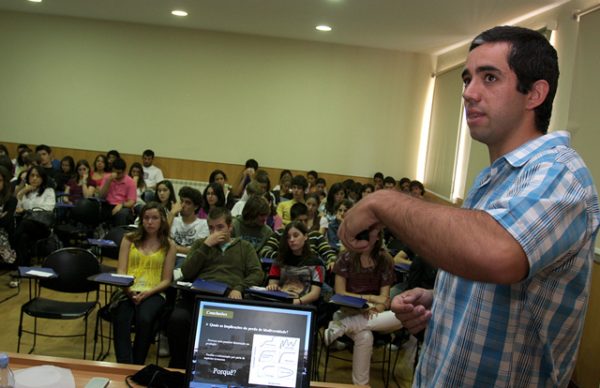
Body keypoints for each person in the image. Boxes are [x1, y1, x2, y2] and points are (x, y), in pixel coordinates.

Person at [338, 26, 600, 387]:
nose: (469, 93)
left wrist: (383, 200)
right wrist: (439, 301)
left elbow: (498, 253)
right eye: (467, 79)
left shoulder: (560, 174)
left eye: (489, 77)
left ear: (535, 94)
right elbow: (498, 285)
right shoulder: (492, 179)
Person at [167, 207, 263, 368]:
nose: (215, 232)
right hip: (198, 296)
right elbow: (187, 272)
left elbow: (257, 274)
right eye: (211, 228)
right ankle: (180, 367)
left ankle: (217, 367)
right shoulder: (201, 244)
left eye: (220, 227)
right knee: (178, 319)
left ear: (230, 227)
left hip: (227, 297)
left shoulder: (244, 247)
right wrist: (206, 246)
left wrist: (239, 287)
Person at [324, 234, 399, 385]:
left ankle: (343, 326)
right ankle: (361, 386)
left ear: (377, 237)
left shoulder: (384, 260)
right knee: (365, 337)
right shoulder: (345, 258)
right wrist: (370, 298)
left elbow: (384, 299)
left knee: (402, 316)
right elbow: (340, 293)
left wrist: (376, 307)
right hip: (347, 310)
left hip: (373, 314)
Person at [112, 202, 176, 365]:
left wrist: (148, 293)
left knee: (145, 318)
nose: (150, 222)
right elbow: (121, 270)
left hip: (154, 291)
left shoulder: (169, 245)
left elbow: (167, 280)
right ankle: (124, 364)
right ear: (141, 220)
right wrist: (128, 289)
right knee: (121, 318)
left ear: (162, 220)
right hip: (128, 289)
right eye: (146, 218)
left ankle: (137, 363)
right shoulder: (129, 239)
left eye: (154, 218)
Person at [260, 202, 336, 268]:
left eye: (305, 220)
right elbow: (264, 251)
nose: (303, 224)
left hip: (310, 273)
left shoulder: (315, 235)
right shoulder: (280, 233)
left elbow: (329, 253)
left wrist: (332, 261)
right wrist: (288, 257)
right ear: (292, 221)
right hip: (286, 272)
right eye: (299, 221)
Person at [266, 221, 324, 306]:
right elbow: (272, 284)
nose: (292, 240)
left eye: (296, 236)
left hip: (303, 305)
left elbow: (315, 294)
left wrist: (297, 302)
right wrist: (272, 286)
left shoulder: (316, 264)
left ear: (305, 236)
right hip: (280, 302)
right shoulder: (278, 261)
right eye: (288, 237)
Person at [13, 166, 56, 278]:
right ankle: (22, 268)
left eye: (38, 176)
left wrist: (27, 210)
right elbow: (17, 209)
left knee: (24, 224)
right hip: (27, 227)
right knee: (23, 237)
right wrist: (22, 192)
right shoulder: (25, 192)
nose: (34, 178)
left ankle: (11, 245)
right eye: (32, 175)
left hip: (42, 227)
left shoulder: (48, 191)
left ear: (43, 178)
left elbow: (48, 208)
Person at [170, 186, 208, 266]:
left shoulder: (203, 224)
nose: (183, 205)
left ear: (196, 207)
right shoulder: (173, 220)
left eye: (188, 203)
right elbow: (161, 238)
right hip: (169, 256)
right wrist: (172, 213)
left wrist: (175, 248)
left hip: (187, 259)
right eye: (181, 201)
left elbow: (197, 250)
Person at [99, 158, 137, 226]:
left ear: (124, 171)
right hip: (107, 204)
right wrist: (109, 181)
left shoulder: (130, 182)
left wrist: (122, 204)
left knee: (122, 213)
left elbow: (131, 202)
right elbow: (101, 196)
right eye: (114, 172)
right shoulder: (107, 177)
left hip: (122, 205)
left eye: (119, 173)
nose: (116, 175)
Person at [0, 166, 17, 266]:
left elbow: (4, 222)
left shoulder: (11, 200)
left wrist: (2, 218)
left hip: (4, 235)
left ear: (5, 183)